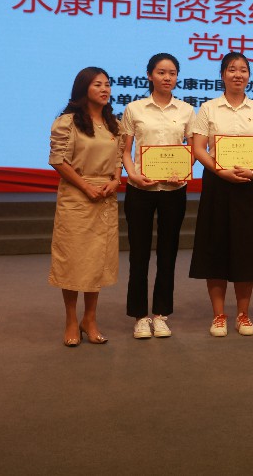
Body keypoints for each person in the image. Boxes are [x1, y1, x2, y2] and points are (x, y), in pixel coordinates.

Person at [189, 52, 253, 337]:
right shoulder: (209, 108)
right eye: (232, 69)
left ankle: (243, 314)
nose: (238, 74)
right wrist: (220, 170)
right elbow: (199, 147)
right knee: (216, 247)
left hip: (250, 185)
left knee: (246, 249)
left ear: (249, 76)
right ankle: (219, 315)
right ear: (223, 74)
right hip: (218, 185)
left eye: (243, 70)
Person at [120, 52, 195, 339]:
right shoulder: (134, 109)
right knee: (138, 254)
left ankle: (161, 314)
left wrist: (184, 170)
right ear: (150, 75)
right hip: (140, 188)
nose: (167, 78)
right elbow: (125, 150)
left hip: (174, 191)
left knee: (168, 253)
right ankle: (140, 316)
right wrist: (132, 174)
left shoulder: (186, 110)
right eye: (161, 72)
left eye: (172, 73)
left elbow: (193, 149)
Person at [48, 67, 124, 346]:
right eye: (97, 85)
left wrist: (115, 181)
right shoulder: (67, 122)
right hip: (77, 197)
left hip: (104, 198)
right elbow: (58, 160)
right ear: (83, 89)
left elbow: (118, 160)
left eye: (107, 85)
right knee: (73, 261)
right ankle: (71, 319)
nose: (105, 89)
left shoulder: (114, 124)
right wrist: (86, 187)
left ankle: (89, 319)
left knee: (96, 262)